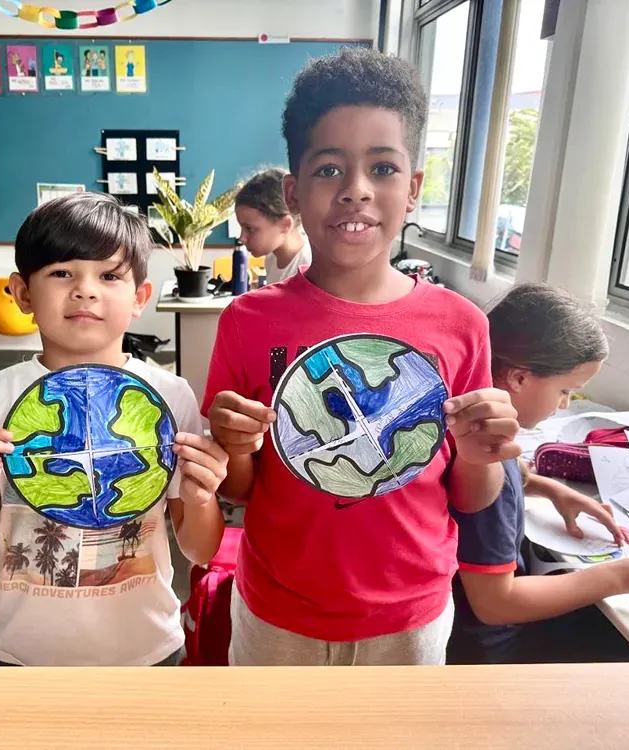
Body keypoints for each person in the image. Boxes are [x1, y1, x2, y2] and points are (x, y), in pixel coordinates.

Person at [202, 47, 520, 666]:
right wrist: (235, 446)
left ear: (414, 189)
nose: (355, 191)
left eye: (382, 168)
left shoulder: (462, 326)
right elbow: (239, 490)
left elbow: (471, 496)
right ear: (294, 193)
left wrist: (484, 454)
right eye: (328, 169)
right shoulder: (247, 321)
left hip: (410, 617)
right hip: (276, 612)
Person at [0, 192, 227, 666]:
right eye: (62, 273)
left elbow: (199, 548)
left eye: (110, 276)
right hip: (23, 655)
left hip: (148, 649)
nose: (86, 290)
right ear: (23, 293)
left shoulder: (169, 398)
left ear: (140, 298)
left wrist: (202, 498)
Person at [447, 283, 629, 664]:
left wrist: (551, 489)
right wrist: (624, 576)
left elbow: (508, 474)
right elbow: (495, 604)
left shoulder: (472, 427)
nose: (565, 404)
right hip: (491, 653)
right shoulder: (486, 462)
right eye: (565, 390)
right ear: (519, 379)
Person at [235, 167, 311, 285]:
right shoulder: (271, 258)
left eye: (249, 229)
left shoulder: (310, 269)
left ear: (285, 225)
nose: (242, 238)